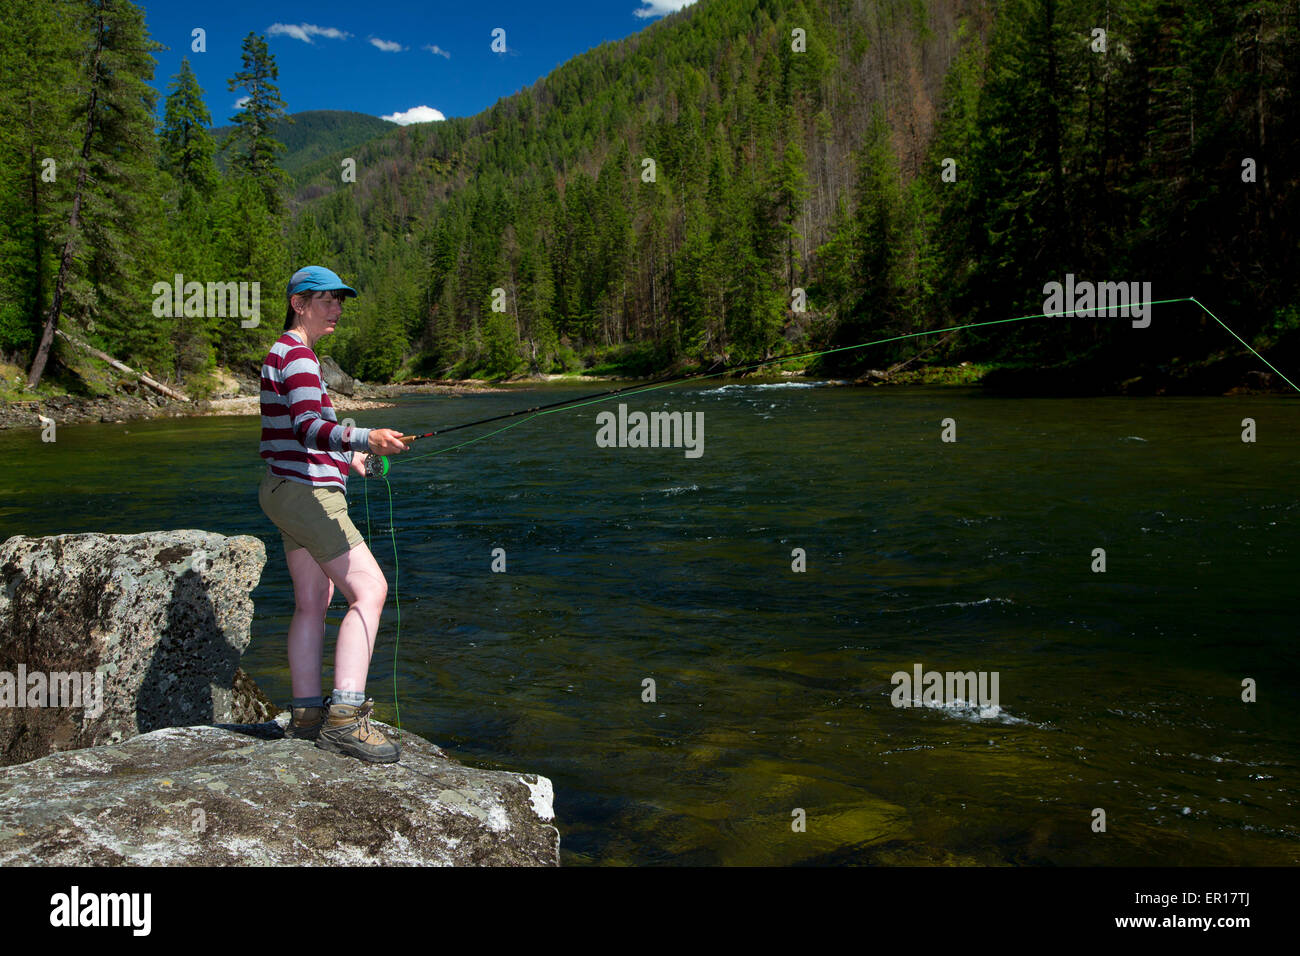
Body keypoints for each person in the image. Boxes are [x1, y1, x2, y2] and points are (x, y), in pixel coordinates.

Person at [257, 265, 410, 763]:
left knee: (312, 602)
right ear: (298, 304)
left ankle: (306, 716)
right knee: (369, 590)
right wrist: (367, 437)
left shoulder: (284, 354)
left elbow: (305, 433)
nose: (337, 308)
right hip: (306, 494)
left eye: (340, 300)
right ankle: (344, 719)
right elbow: (307, 426)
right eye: (325, 300)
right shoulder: (298, 356)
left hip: (284, 490)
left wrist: (351, 458)